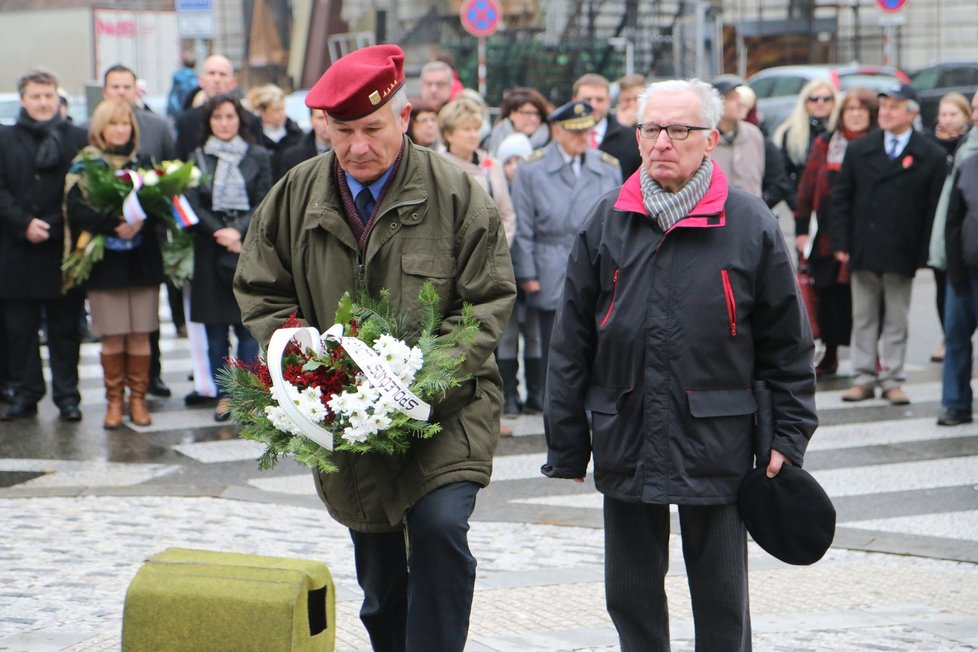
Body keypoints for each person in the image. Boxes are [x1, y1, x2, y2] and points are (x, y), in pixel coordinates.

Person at [233, 45, 516, 652]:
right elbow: (260, 287)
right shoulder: (294, 196)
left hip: (447, 408)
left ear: (405, 118)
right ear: (324, 127)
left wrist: (419, 382)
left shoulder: (456, 193)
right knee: (382, 576)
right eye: (344, 131)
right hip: (349, 425)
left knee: (440, 532)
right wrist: (305, 365)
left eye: (372, 128)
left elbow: (486, 301)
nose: (359, 146)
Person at [543, 78, 817, 651]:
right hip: (625, 423)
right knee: (631, 595)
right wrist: (567, 441)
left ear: (710, 139)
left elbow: (787, 346)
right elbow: (571, 342)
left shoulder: (749, 223)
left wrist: (788, 436)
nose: (662, 142)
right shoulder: (607, 219)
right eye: (650, 129)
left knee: (720, 598)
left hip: (718, 432)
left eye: (679, 130)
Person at [831, 83, 946, 404]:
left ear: (911, 113)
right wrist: (840, 240)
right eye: (882, 107)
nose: (885, 113)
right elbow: (841, 199)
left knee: (897, 317)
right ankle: (863, 377)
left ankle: (892, 378)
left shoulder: (930, 155)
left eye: (894, 107)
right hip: (863, 246)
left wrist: (925, 252)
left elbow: (933, 208)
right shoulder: (860, 149)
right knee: (864, 316)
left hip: (902, 249)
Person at [511, 100, 622, 404]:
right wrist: (528, 272)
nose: (582, 137)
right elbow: (524, 225)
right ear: (556, 131)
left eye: (586, 131)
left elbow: (619, 223)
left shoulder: (606, 166)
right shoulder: (532, 168)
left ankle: (592, 402)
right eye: (574, 132)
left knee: (597, 336)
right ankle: (556, 401)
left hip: (597, 264)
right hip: (551, 263)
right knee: (554, 342)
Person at [64, 99, 164, 428]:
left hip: (141, 260)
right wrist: (114, 223)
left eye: (126, 124)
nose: (121, 130)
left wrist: (140, 222)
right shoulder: (86, 165)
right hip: (105, 262)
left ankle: (137, 399)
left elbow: (162, 206)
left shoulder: (145, 164)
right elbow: (76, 210)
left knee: (139, 334)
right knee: (113, 335)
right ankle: (114, 402)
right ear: (101, 128)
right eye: (114, 124)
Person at [0, 67, 88, 422]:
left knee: (65, 330)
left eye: (48, 96)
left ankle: (67, 396)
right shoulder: (5, 138)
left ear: (57, 98)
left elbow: (84, 191)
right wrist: (23, 223)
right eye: (35, 96)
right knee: (20, 332)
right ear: (23, 99)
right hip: (15, 249)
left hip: (60, 250)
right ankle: (27, 393)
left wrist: (51, 225)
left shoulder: (76, 138)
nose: (42, 102)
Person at [185, 95, 271, 422]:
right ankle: (224, 396)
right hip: (210, 248)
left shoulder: (258, 155)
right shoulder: (197, 159)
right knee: (215, 331)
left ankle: (247, 395)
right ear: (209, 122)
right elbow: (192, 203)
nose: (224, 123)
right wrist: (218, 232)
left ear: (240, 120)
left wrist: (237, 231)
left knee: (247, 326)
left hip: (246, 247)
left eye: (230, 117)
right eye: (217, 117)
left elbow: (265, 199)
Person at [439, 97, 518, 434]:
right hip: (451, 266)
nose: (473, 136)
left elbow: (506, 214)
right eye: (465, 130)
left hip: (488, 263)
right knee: (457, 336)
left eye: (476, 129)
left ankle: (490, 413)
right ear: (449, 133)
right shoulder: (438, 165)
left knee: (490, 336)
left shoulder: (491, 164)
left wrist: (497, 252)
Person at [100, 63, 179, 399]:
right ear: (105, 92)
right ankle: (119, 395)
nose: (121, 92)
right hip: (106, 243)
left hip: (148, 235)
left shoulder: (157, 127)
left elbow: (170, 176)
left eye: (126, 86)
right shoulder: (92, 131)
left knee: (147, 317)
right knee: (115, 324)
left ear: (136, 89)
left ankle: (153, 376)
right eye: (115, 87)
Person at [794, 87, 879, 378]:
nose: (855, 114)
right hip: (828, 234)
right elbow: (806, 189)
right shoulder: (826, 144)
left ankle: (871, 356)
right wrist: (802, 230)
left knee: (866, 298)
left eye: (861, 109)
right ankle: (830, 354)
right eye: (849, 109)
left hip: (866, 233)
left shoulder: (879, 144)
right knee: (828, 297)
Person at [934, 89, 978, 426]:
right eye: (973, 109)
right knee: (956, 338)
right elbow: (952, 221)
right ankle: (955, 403)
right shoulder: (968, 162)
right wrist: (956, 270)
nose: (974, 116)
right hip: (966, 269)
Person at [925, 91, 973, 363]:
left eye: (953, 114)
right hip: (940, 228)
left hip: (965, 228)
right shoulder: (931, 145)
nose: (947, 120)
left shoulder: (967, 147)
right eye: (943, 114)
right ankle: (948, 335)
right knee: (943, 285)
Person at [175, 55, 261, 161]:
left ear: (233, 82)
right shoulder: (186, 122)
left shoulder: (250, 121)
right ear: (201, 80)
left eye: (223, 74)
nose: (217, 79)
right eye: (211, 73)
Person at [773, 79, 837, 209]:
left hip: (835, 204)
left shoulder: (840, 132)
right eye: (814, 99)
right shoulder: (792, 134)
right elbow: (783, 174)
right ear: (806, 103)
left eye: (826, 98)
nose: (820, 103)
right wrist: (796, 203)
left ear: (834, 102)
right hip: (804, 204)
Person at [572, 73, 642, 178]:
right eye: (587, 100)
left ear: (609, 101)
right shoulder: (561, 137)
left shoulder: (631, 139)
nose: (593, 105)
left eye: (600, 100)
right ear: (574, 100)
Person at [245, 84, 303, 181]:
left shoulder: (295, 133)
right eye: (276, 110)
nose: (282, 114)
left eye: (283, 108)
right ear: (262, 111)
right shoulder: (252, 135)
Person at [482, 86, 551, 156]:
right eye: (527, 113)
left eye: (537, 114)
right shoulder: (490, 142)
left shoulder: (552, 144)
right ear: (511, 114)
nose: (533, 118)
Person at [279, 106, 331, 174]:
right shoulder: (293, 157)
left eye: (330, 118)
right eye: (321, 118)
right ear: (311, 120)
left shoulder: (346, 152)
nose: (326, 123)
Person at [167, 52, 197, 119]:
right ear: (195, 65)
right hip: (189, 115)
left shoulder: (176, 77)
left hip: (176, 114)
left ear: (183, 64)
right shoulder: (195, 80)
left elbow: (172, 97)